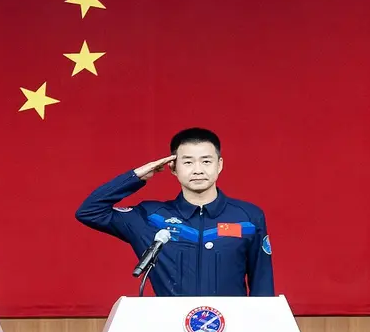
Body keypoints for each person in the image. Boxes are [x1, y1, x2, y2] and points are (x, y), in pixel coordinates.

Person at [75, 127, 274, 297]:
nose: (198, 170)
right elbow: (90, 211)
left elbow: (262, 283)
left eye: (206, 161)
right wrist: (137, 176)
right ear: (172, 167)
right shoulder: (151, 217)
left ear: (219, 164)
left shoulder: (248, 217)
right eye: (188, 162)